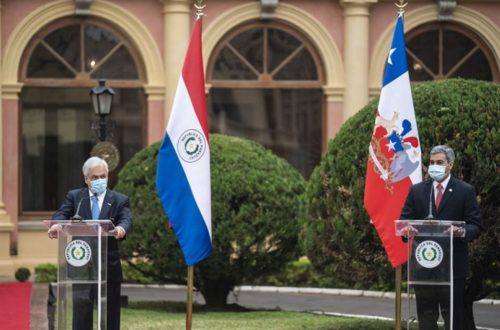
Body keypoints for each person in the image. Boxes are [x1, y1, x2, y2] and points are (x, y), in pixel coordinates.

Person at [400, 145, 481, 330]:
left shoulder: (464, 191)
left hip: (452, 268)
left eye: (439, 162)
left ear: (450, 165)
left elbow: (475, 225)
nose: (434, 166)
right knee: (426, 319)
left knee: (453, 319)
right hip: (423, 267)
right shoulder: (418, 191)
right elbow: (404, 222)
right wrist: (408, 229)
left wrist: (462, 231)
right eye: (431, 162)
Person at [47, 156, 132, 330]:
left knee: (110, 317)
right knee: (81, 315)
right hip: (81, 266)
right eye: (95, 177)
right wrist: (57, 225)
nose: (100, 180)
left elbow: (126, 218)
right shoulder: (76, 197)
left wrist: (121, 229)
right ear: (86, 179)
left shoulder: (119, 199)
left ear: (108, 176)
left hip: (108, 267)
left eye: (103, 176)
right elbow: (61, 214)